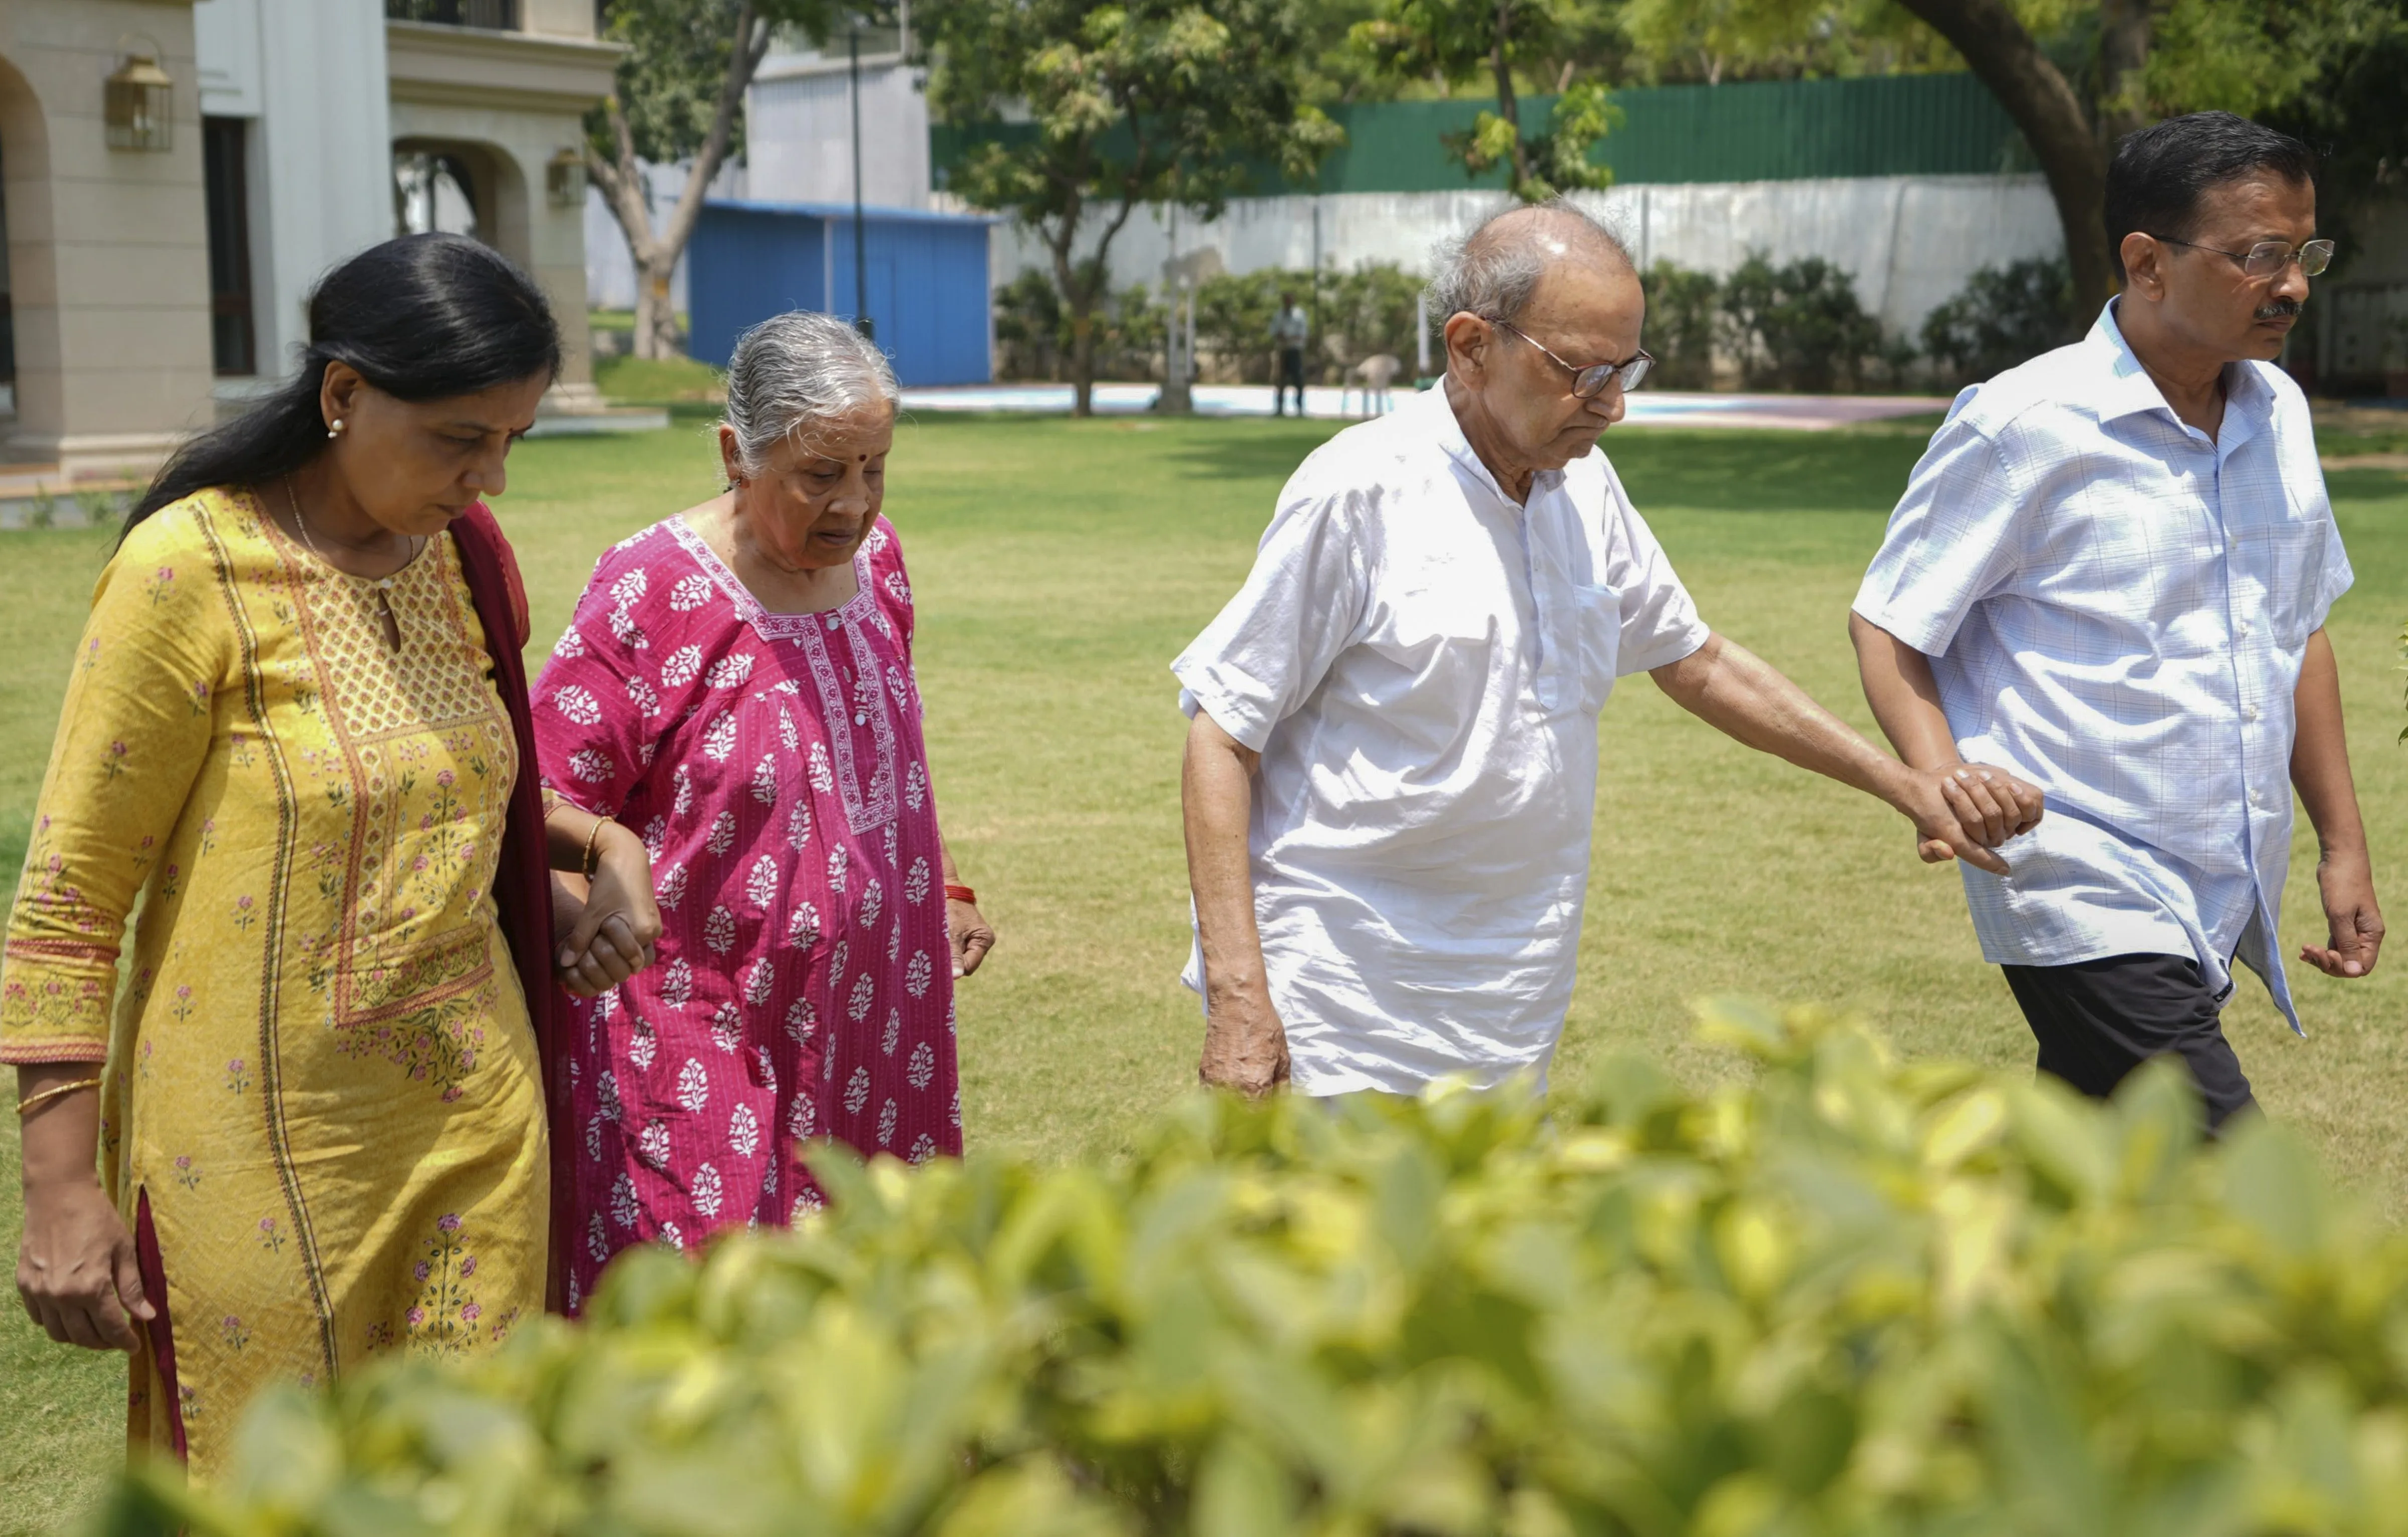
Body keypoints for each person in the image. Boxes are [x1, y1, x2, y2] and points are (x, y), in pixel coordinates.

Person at [3, 234, 659, 1479]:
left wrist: (576, 871)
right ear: (344, 393)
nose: (491, 478)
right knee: (270, 1490)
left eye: (513, 440)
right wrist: (59, 1188)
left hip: (477, 1127)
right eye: (462, 438)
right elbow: (72, 896)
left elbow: (457, 789)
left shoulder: (471, 567)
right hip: (248, 1152)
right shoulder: (187, 570)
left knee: (474, 1484)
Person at [1174, 201, 2040, 1098]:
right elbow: (1223, 733)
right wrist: (1240, 997)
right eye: (1584, 372)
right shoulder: (1359, 492)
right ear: (1471, 346)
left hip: (1511, 1002)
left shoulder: (1578, 483)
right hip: (1343, 1001)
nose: (1614, 405)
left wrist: (1904, 784)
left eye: (1626, 368)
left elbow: (1694, 659)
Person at [1851, 112, 2380, 1131]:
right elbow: (1889, 623)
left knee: (2105, 1192)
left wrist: (2341, 845)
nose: (2296, 284)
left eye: (2305, 250)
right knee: (2232, 1183)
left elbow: (2299, 628)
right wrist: (1939, 777)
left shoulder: (2279, 412)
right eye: (2259, 255)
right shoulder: (2024, 425)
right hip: (2075, 874)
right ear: (2146, 262)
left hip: (2213, 873)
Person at [534, 311, 993, 1306]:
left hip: (886, 1019)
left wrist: (943, 882)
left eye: (875, 468)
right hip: (708, 1033)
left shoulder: (881, 562)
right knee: (718, 1309)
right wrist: (592, 901)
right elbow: (537, 793)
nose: (855, 503)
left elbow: (889, 747)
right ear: (737, 452)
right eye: (821, 474)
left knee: (882, 1290)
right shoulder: (653, 586)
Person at [1272, 293, 1310, 417]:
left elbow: (1303, 333)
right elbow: (1273, 330)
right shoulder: (1279, 315)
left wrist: (1290, 338)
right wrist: (1281, 337)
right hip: (1283, 351)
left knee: (1298, 379)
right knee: (1281, 380)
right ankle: (1280, 408)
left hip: (1295, 350)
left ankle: (1299, 409)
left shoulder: (1299, 315)